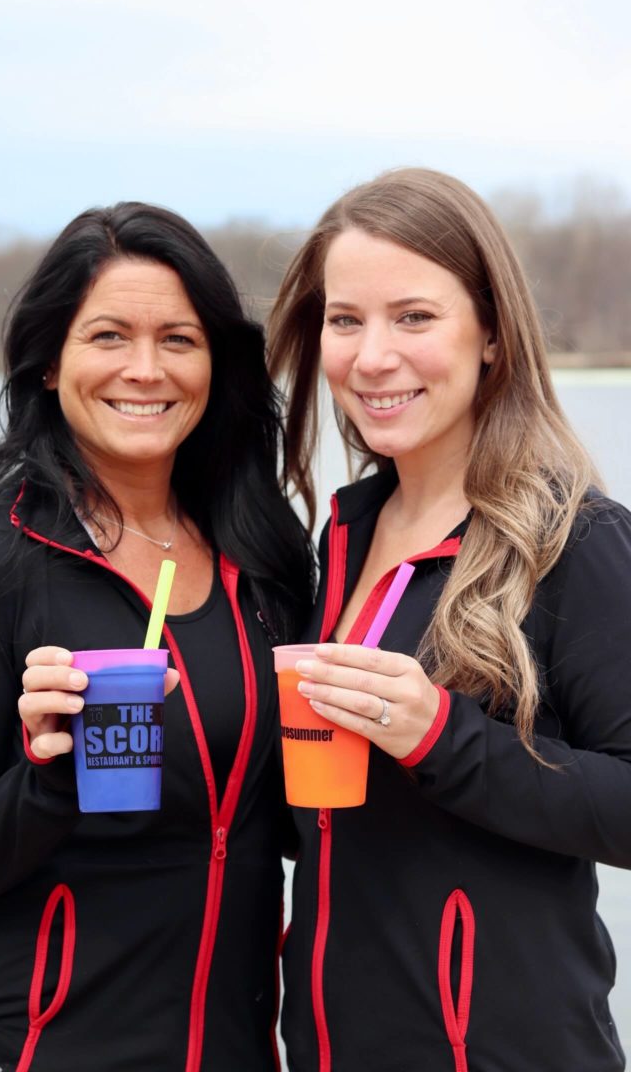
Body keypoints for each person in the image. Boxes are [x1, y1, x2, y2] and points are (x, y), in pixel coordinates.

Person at [0, 202, 314, 1072]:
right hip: (23, 1049)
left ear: (216, 362)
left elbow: (275, 820)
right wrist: (47, 779)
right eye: (109, 336)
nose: (145, 370)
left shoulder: (263, 554)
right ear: (51, 362)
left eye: (179, 339)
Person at [267, 167, 631, 1072]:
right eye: (345, 320)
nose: (371, 356)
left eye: (414, 317)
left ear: (492, 334)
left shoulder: (576, 541)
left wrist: (441, 738)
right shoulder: (341, 536)